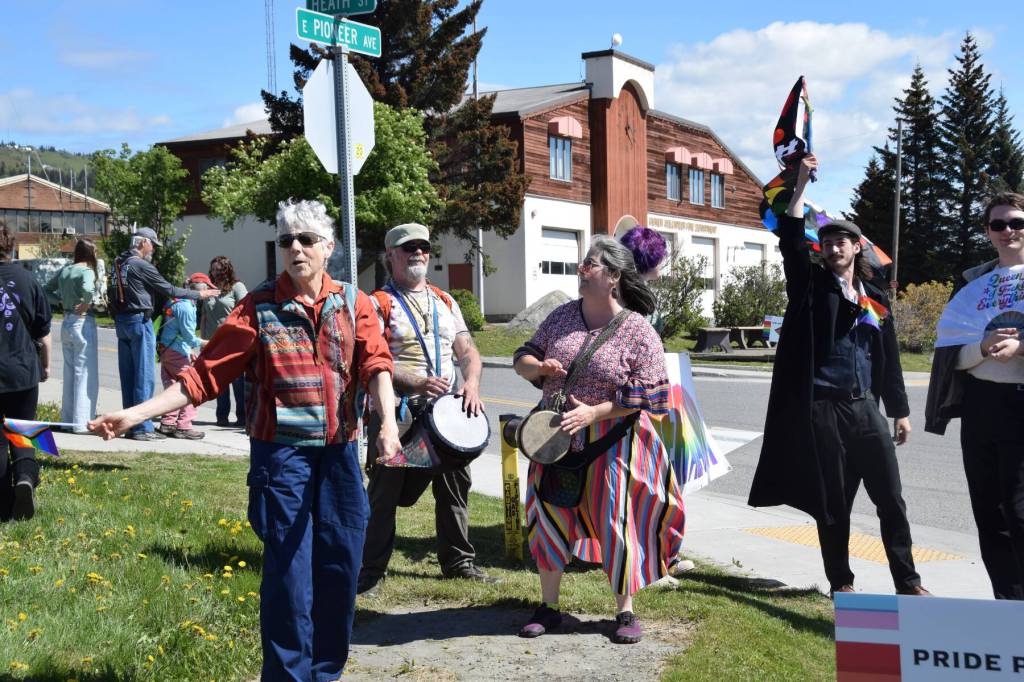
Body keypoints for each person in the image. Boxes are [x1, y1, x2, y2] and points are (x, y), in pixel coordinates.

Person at [91, 199, 401, 680]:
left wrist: (387, 425)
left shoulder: (354, 303)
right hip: (282, 461)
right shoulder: (257, 308)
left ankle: (326, 672)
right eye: (286, 241)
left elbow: (376, 364)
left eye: (306, 239)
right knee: (289, 579)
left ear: (328, 247)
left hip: (340, 456)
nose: (295, 248)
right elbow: (201, 378)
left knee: (342, 568)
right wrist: (134, 414)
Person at [747, 154, 928, 597]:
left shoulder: (876, 297)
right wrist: (801, 186)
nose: (833, 248)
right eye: (827, 243)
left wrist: (900, 411)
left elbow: (889, 356)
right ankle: (841, 583)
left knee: (891, 499)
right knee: (833, 504)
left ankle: (908, 582)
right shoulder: (811, 285)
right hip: (823, 409)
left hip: (866, 407)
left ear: (856, 247)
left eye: (841, 242)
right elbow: (791, 239)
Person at [512, 235, 685, 644]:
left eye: (590, 264)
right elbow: (522, 356)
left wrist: (594, 412)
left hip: (612, 444)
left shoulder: (639, 331)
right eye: (583, 263)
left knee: (618, 522)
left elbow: (652, 393)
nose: (581, 269)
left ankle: (624, 612)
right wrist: (537, 366)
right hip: (554, 442)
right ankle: (549, 607)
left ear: (614, 277)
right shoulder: (560, 317)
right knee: (549, 521)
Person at [357, 222, 496, 597]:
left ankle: (458, 562)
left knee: (454, 486)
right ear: (390, 255)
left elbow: (467, 352)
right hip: (398, 413)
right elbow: (372, 362)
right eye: (408, 247)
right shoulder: (376, 304)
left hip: (445, 415)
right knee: (385, 492)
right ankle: (371, 570)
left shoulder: (446, 301)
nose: (417, 252)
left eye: (423, 246)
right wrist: (415, 382)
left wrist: (471, 383)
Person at [926, 191, 1024, 600]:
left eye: (1017, 222)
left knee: (1019, 512)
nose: (1008, 231)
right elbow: (952, 350)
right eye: (999, 224)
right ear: (988, 232)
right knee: (988, 513)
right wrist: (981, 348)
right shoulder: (973, 282)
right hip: (981, 406)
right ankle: (1007, 603)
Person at [110, 227, 218, 441]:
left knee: (128, 377)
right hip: (139, 321)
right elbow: (168, 289)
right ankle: (141, 427)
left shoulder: (118, 263)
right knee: (143, 377)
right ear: (143, 243)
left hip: (122, 321)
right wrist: (200, 294)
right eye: (153, 245)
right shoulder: (140, 264)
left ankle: (129, 423)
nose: (154, 250)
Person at [0, 223, 51, 522]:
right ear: (9, 245)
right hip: (23, 370)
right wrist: (45, 366)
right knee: (24, 431)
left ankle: (4, 506)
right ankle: (26, 479)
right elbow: (43, 331)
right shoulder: (27, 279)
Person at [45, 238, 99, 433]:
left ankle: (68, 420)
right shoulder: (86, 271)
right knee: (85, 373)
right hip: (82, 321)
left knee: (69, 373)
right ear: (90, 253)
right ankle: (82, 423)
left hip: (66, 321)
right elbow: (88, 289)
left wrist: (59, 301)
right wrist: (86, 302)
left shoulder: (66, 269)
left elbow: (46, 289)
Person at [156, 273, 211, 440]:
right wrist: (208, 343)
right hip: (176, 352)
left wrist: (189, 352)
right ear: (200, 290)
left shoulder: (176, 301)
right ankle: (184, 426)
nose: (209, 292)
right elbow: (189, 337)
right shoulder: (187, 307)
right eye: (208, 288)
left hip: (166, 350)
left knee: (172, 387)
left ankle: (167, 424)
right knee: (192, 386)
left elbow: (176, 332)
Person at [202, 256, 248, 427]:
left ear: (227, 269)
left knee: (238, 383)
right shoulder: (209, 289)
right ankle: (222, 417)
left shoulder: (237, 287)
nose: (215, 272)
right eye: (213, 269)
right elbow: (205, 316)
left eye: (219, 269)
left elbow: (246, 310)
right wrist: (202, 341)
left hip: (233, 342)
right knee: (219, 382)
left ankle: (243, 417)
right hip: (213, 342)